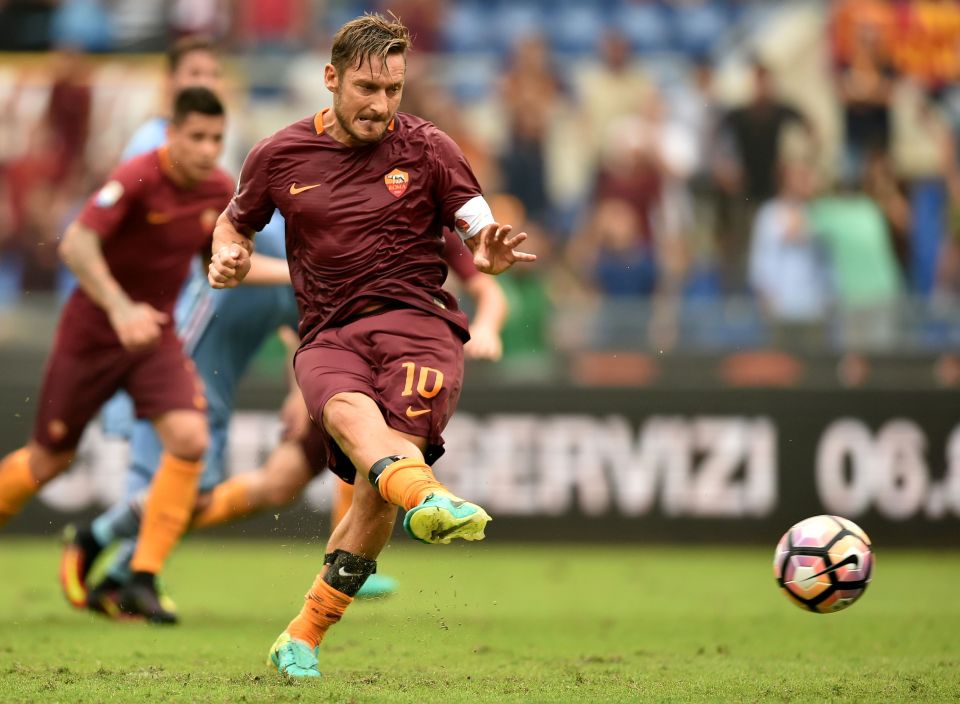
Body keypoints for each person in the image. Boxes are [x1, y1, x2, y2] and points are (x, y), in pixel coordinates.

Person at [207, 13, 534, 678]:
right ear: (331, 79)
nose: (381, 105)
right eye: (366, 88)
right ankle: (427, 496)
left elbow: (479, 232)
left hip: (420, 330)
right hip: (327, 336)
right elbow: (234, 223)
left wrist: (492, 256)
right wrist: (227, 255)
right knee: (362, 431)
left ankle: (302, 632)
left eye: (393, 90)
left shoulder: (432, 149)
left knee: (374, 490)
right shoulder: (277, 156)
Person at [64, 226, 508, 616]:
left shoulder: (431, 225)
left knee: (281, 482)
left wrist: (486, 326)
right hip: (335, 376)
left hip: (396, 371)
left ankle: (125, 560)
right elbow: (300, 310)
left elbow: (489, 289)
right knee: (260, 482)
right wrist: (303, 386)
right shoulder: (327, 219)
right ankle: (116, 553)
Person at [0, 87, 234, 622]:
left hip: (152, 338)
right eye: (196, 136)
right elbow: (76, 245)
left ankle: (140, 578)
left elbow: (215, 262)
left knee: (190, 440)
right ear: (170, 133)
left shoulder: (218, 189)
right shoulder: (136, 176)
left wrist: (238, 268)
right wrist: (121, 308)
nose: (207, 149)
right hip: (93, 334)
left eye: (217, 139)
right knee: (48, 460)